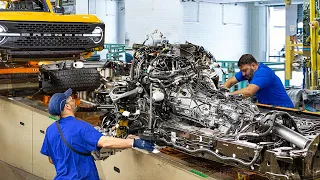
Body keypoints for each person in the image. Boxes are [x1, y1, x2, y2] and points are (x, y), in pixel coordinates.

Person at [40, 88, 154, 180]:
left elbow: (51, 159)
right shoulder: (81, 126)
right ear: (67, 106)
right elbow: (105, 142)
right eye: (70, 99)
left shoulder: (51, 129)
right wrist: (134, 142)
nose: (74, 99)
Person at [223, 54, 294, 108]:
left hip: (283, 109)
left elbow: (248, 92)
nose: (243, 74)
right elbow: (231, 81)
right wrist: (219, 91)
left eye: (244, 70)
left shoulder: (263, 73)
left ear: (253, 65)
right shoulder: (248, 72)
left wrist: (227, 96)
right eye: (242, 71)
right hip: (266, 108)